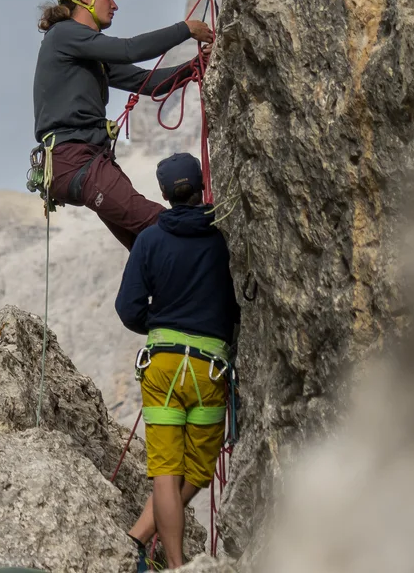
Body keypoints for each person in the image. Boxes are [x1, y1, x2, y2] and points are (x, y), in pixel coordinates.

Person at [32, 0, 215, 250]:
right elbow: (130, 50)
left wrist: (197, 65)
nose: (114, 5)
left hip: (85, 160)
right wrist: (186, 29)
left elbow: (148, 82)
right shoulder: (64, 34)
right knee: (164, 225)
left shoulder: (87, 52)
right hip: (76, 159)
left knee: (147, 243)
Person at [114, 153, 241, 571]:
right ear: (202, 186)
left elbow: (128, 307)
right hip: (209, 368)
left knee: (166, 472)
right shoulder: (223, 237)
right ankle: (150, 546)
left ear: (164, 195)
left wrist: (162, 322)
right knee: (199, 471)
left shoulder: (150, 240)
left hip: (163, 367)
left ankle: (171, 562)